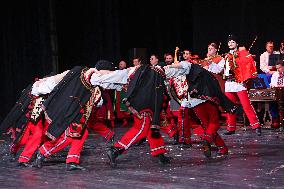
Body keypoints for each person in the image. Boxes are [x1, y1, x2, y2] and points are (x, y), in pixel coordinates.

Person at [164, 61, 234, 157]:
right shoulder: (193, 68)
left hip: (194, 101)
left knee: (207, 126)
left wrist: (166, 68)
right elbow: (184, 65)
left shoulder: (183, 73)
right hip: (205, 99)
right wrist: (171, 65)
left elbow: (173, 72)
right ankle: (206, 140)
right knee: (214, 123)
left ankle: (222, 148)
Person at [107, 63, 171, 167]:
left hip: (141, 104)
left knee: (152, 129)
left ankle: (160, 153)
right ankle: (115, 150)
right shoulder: (154, 75)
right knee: (141, 129)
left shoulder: (141, 73)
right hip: (144, 106)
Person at [223, 34, 261, 136]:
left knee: (246, 105)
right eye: (229, 42)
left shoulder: (241, 54)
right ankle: (231, 128)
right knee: (230, 107)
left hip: (239, 83)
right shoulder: (226, 56)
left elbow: (248, 63)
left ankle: (256, 126)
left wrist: (243, 53)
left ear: (236, 44)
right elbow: (219, 68)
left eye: (233, 42)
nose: (230, 44)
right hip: (229, 84)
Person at [269, 60, 284, 128]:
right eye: (277, 68)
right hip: (277, 92)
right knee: (272, 102)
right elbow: (273, 83)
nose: (278, 70)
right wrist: (272, 85)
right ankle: (275, 119)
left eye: (279, 68)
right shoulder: (275, 74)